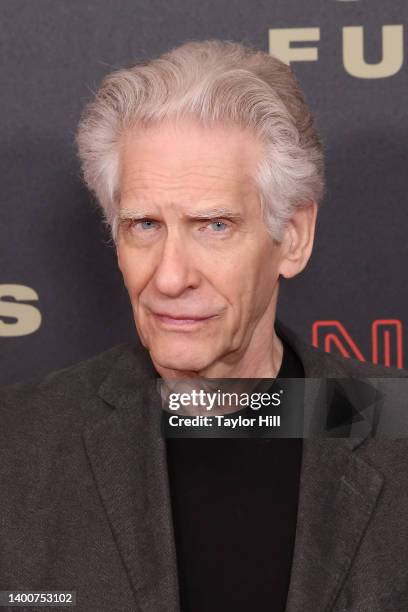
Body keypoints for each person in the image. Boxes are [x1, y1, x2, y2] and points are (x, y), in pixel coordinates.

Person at [1, 39, 407, 612]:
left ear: (292, 237)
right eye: (144, 224)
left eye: (213, 225)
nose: (169, 277)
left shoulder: (393, 428)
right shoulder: (16, 447)